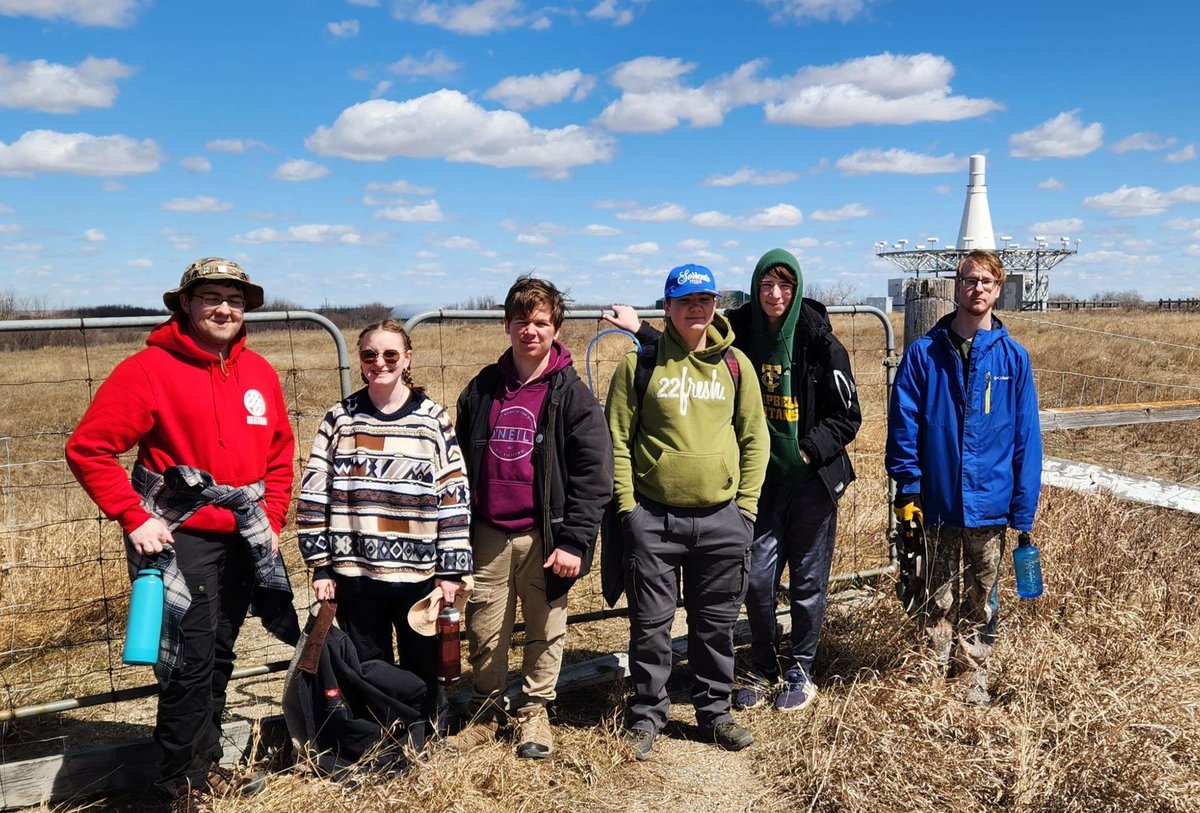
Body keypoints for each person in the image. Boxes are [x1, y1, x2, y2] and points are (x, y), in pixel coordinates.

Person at [66, 258, 296, 813]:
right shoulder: (149, 369)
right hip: (179, 536)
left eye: (235, 300)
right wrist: (133, 515)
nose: (224, 309)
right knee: (188, 663)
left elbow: (280, 452)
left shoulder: (259, 373)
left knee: (219, 654)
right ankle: (181, 784)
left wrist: (274, 517)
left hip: (241, 533)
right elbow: (88, 448)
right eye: (211, 297)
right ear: (186, 305)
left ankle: (209, 762)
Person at [605, 247, 861, 713]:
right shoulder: (740, 331)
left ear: (798, 288)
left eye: (785, 285)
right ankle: (761, 667)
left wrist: (808, 449)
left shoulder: (820, 340)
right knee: (757, 582)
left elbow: (848, 416)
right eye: (766, 284)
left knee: (807, 583)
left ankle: (800, 667)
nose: (775, 294)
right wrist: (641, 331)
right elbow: (687, 344)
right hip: (757, 489)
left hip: (809, 485)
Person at [605, 263, 768, 761]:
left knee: (714, 625)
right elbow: (616, 439)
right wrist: (629, 508)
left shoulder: (736, 365)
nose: (696, 310)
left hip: (723, 519)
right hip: (654, 518)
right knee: (651, 625)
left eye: (705, 301)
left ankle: (715, 713)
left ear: (715, 305)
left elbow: (754, 437)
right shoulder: (640, 365)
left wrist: (745, 509)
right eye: (685, 302)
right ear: (668, 308)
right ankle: (647, 715)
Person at [452, 275, 613, 760]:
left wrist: (576, 541)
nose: (531, 331)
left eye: (541, 322)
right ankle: (486, 709)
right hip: (488, 533)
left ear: (555, 329)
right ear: (506, 324)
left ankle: (535, 712)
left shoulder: (572, 395)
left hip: (547, 535)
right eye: (522, 321)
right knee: (484, 628)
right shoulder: (482, 389)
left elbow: (594, 475)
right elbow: (458, 461)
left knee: (546, 628)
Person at [885, 249, 1042, 707]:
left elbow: (1025, 438)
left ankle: (972, 681)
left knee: (982, 599)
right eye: (970, 280)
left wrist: (1022, 507)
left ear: (998, 290)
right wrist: (908, 488)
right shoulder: (924, 354)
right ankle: (931, 681)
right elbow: (905, 424)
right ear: (956, 287)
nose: (978, 289)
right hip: (936, 501)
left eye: (987, 282)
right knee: (934, 596)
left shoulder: (1013, 360)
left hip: (989, 504)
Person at [296, 320, 472, 728]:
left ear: (407, 359)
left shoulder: (433, 421)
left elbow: (455, 496)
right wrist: (321, 565)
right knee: (368, 663)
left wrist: (451, 569)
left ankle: (421, 735)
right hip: (356, 571)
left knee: (422, 663)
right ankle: (379, 737)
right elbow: (313, 493)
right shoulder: (339, 420)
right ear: (360, 361)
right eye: (370, 355)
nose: (380, 363)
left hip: (420, 574)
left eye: (390, 354)